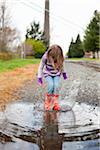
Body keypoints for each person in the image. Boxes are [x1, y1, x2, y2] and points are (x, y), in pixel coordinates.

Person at [37, 44, 67, 110]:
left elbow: (62, 65)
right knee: (51, 85)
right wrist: (39, 77)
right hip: (48, 73)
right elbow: (40, 67)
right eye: (52, 57)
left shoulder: (60, 57)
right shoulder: (45, 57)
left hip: (56, 74)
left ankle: (55, 102)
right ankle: (48, 101)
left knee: (56, 86)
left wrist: (64, 73)